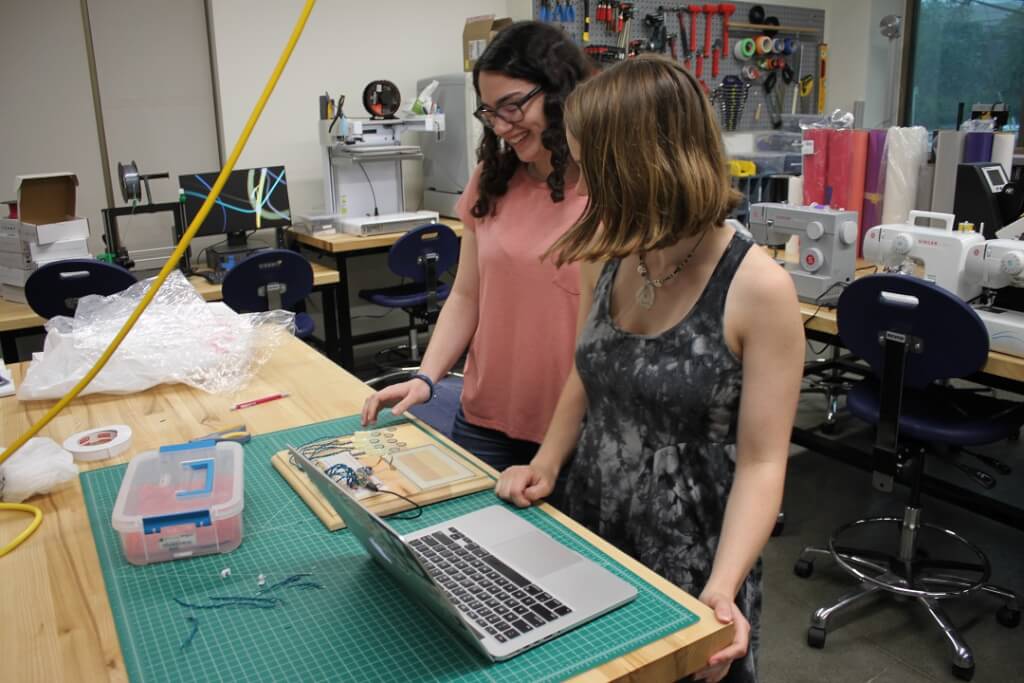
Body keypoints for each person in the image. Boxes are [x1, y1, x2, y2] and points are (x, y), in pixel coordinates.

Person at [495, 55, 805, 683]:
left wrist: (721, 590)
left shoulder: (759, 290)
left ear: (639, 166)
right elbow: (588, 371)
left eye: (590, 166)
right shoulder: (608, 252)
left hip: (692, 553)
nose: (580, 182)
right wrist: (546, 463)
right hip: (590, 523)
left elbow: (763, 462)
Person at [361, 22, 592, 473]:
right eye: (489, 112)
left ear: (559, 92)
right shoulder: (493, 180)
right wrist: (426, 376)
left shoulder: (606, 187)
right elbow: (467, 295)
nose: (502, 126)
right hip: (485, 419)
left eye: (513, 106)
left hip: (576, 431)